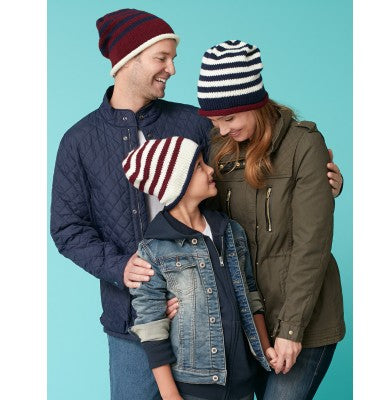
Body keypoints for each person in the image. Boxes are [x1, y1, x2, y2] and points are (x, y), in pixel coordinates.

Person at [50, 7, 343, 400]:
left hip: (215, 313)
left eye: (173, 58)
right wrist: (121, 268)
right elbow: (67, 228)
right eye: (162, 58)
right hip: (134, 318)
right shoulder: (78, 141)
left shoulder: (196, 122)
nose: (172, 69)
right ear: (128, 60)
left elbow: (249, 178)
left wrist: (321, 185)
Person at [195, 40, 346, 400]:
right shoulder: (218, 150)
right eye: (214, 121)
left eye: (229, 118)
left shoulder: (303, 145)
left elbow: (312, 244)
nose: (222, 129)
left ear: (254, 103)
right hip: (250, 324)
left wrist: (291, 329)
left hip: (306, 320)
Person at [122, 136, 275, 400]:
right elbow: (151, 326)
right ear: (177, 184)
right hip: (195, 388)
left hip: (243, 384)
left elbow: (251, 295)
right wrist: (170, 395)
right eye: (199, 167)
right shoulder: (153, 250)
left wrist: (265, 348)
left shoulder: (231, 231)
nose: (210, 170)